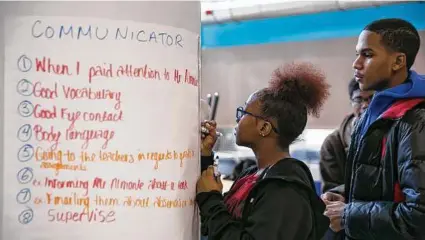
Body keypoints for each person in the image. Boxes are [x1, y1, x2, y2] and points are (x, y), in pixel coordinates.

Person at [197, 62, 330, 240]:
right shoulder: (253, 175)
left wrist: (211, 200)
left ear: (264, 127)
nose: (238, 119)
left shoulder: (285, 192)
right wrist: (206, 156)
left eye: (244, 112)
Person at [322, 18, 425, 239]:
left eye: (367, 55)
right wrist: (346, 196)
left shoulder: (416, 120)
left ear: (398, 61)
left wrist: (349, 214)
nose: (356, 63)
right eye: (357, 53)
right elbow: (384, 189)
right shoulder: (372, 115)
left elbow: (419, 215)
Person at [319, 78, 374, 193]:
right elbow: (331, 192)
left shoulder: (392, 135)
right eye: (358, 99)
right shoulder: (333, 144)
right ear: (351, 103)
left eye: (371, 99)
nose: (365, 105)